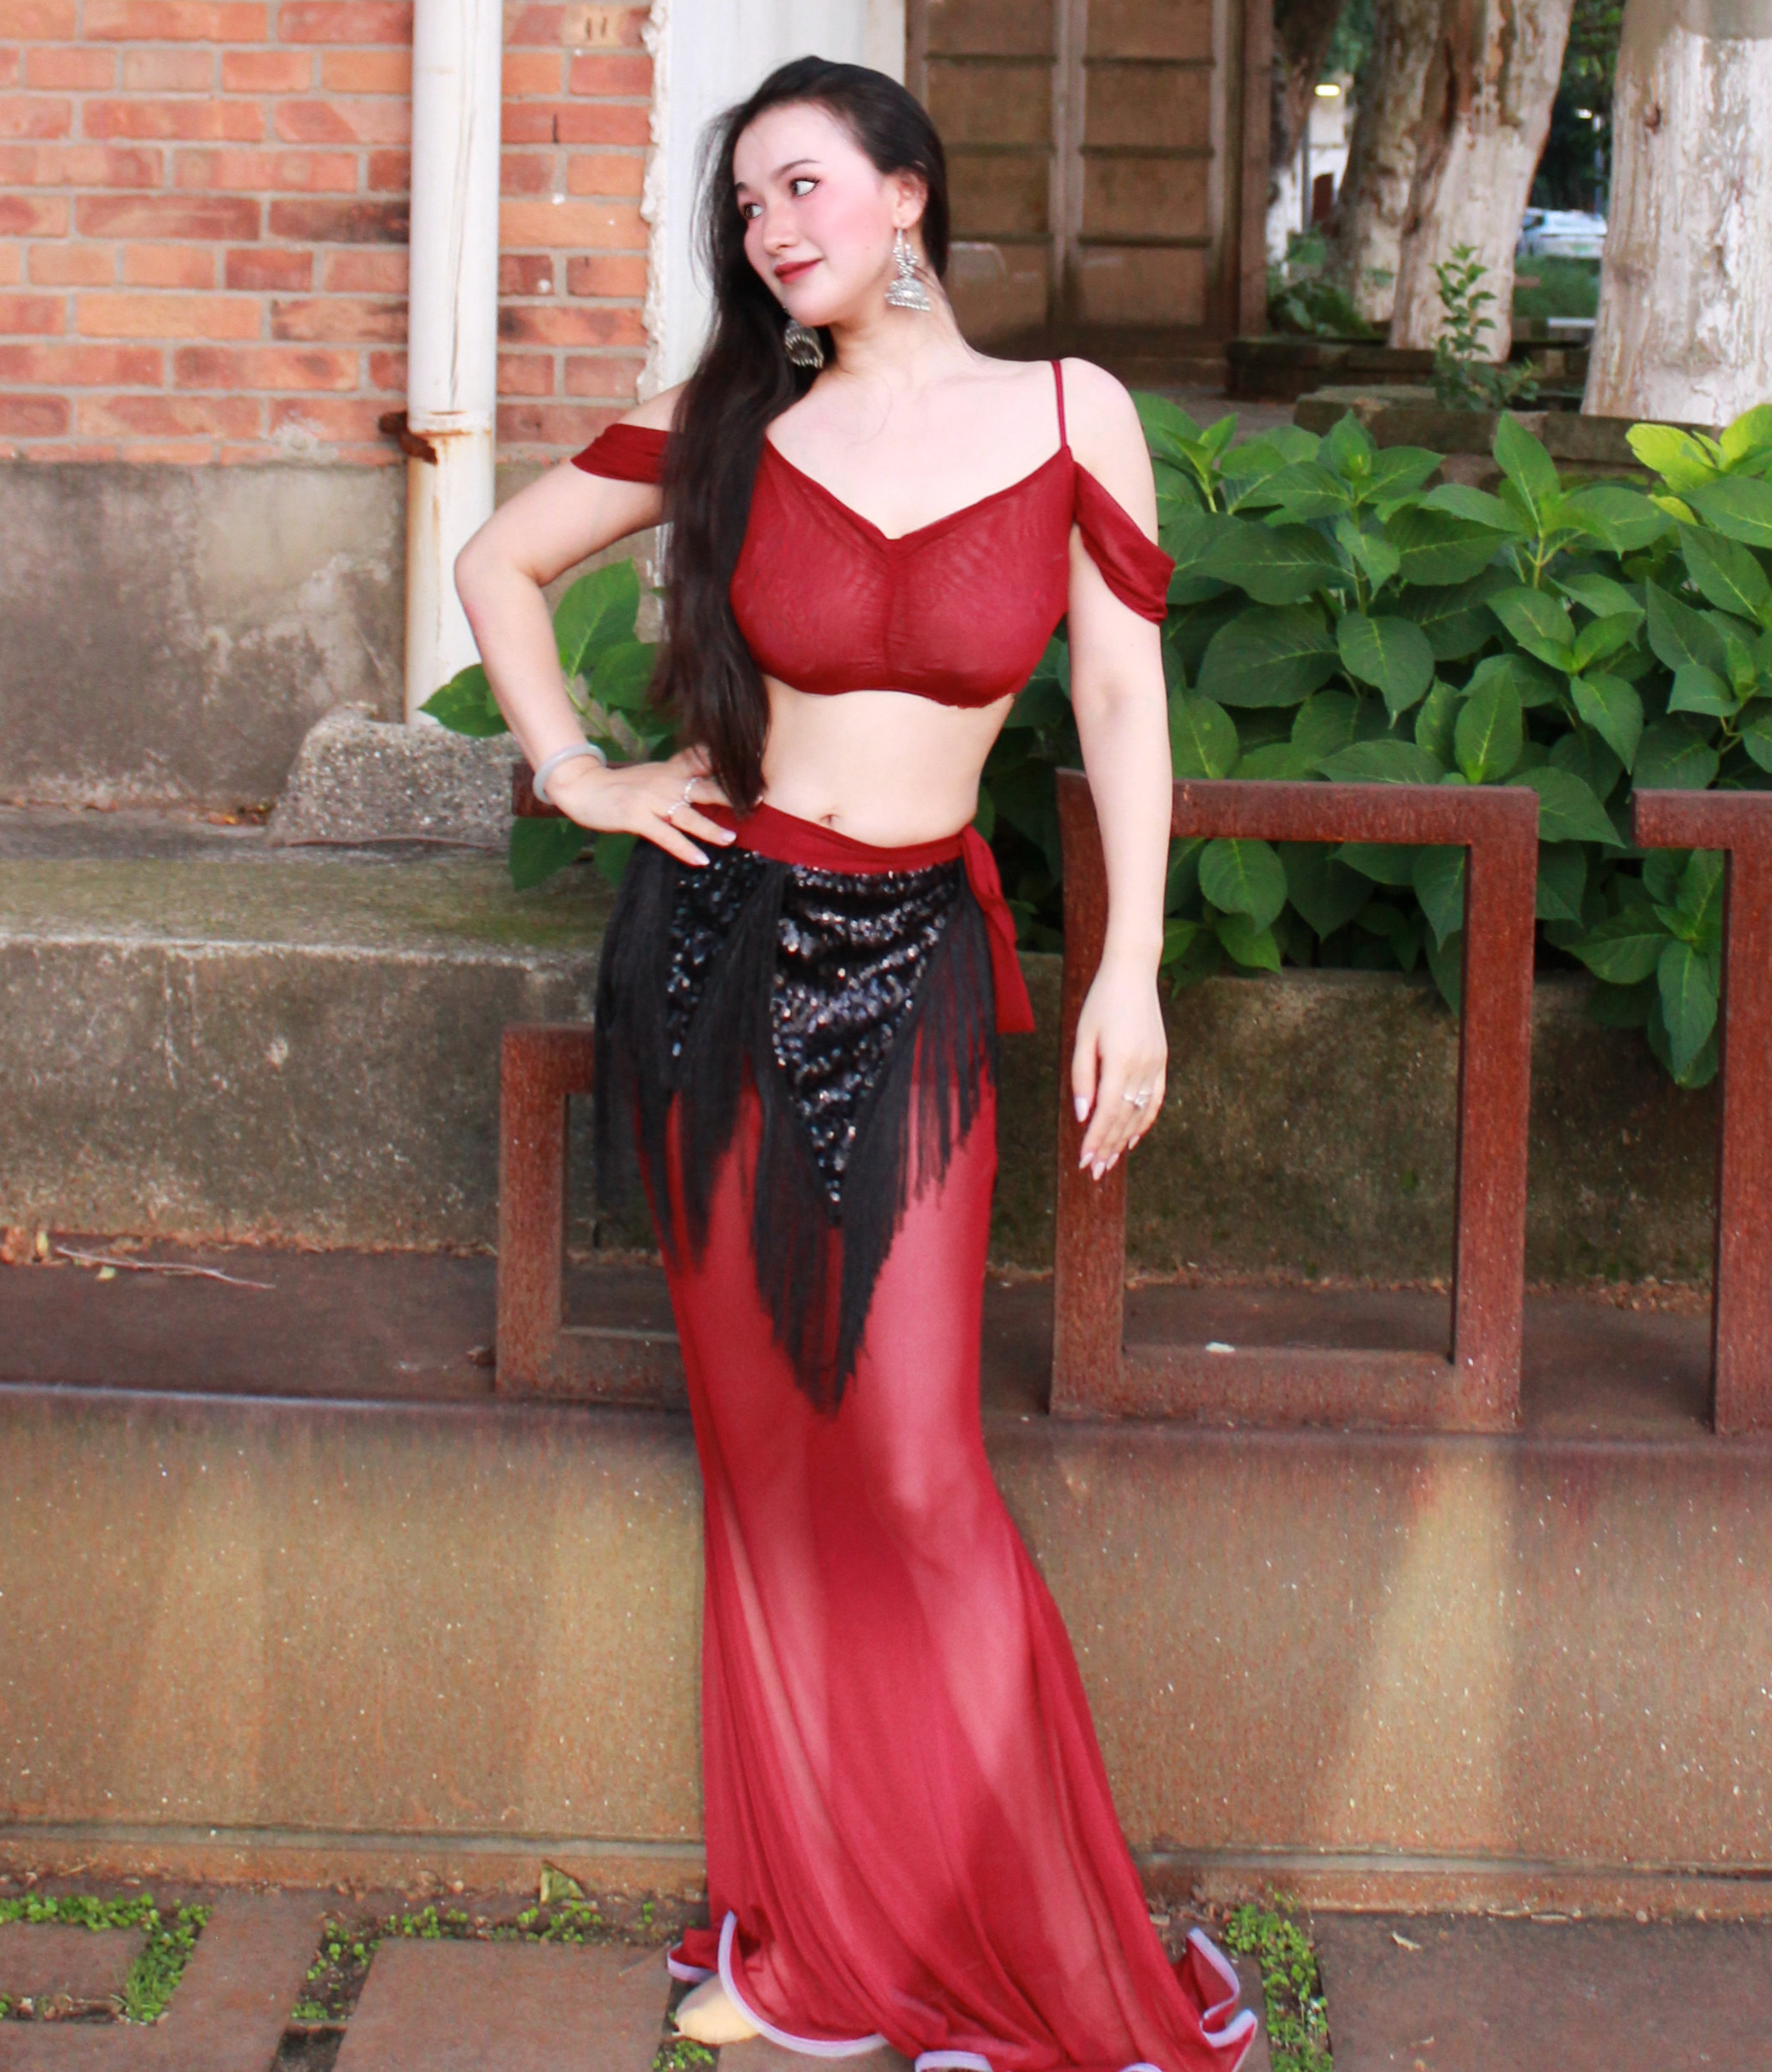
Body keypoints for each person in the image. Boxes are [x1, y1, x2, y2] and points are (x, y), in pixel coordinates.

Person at [453, 54, 1257, 2072]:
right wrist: (574, 771)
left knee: (906, 1466)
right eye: (743, 205)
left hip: (913, 969)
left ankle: (1028, 1947)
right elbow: (495, 563)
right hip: (715, 957)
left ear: (906, 192)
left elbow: (1121, 702)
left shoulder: (1068, 413)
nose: (769, 228)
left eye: (802, 184)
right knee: (771, 1466)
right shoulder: (736, 423)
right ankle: (820, 1941)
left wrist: (1128, 970)